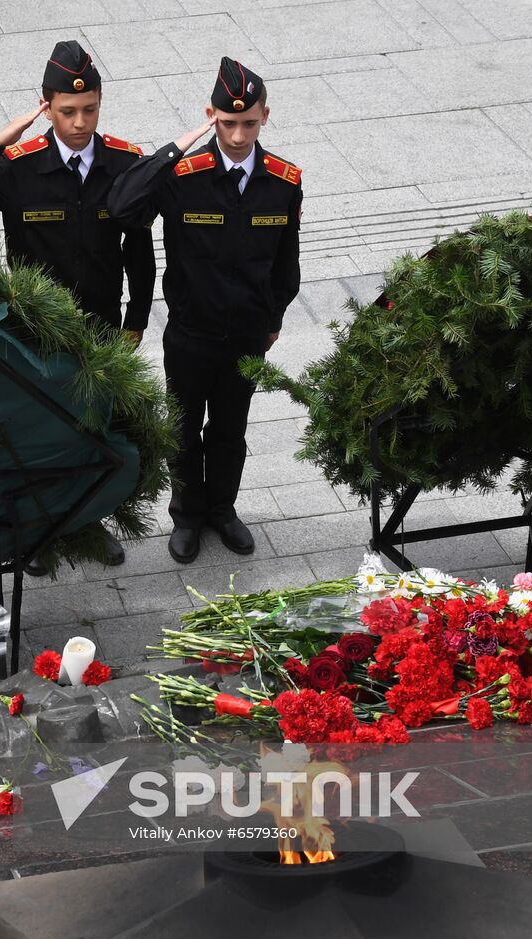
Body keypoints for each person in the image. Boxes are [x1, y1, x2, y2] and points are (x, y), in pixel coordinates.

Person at [0, 40, 155, 571]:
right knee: (33, 431)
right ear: (45, 106)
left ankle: (90, 519)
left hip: (101, 326)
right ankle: (35, 529)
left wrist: (135, 325)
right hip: (34, 331)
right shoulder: (19, 167)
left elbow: (141, 253)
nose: (80, 123)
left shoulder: (124, 164)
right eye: (66, 112)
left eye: (90, 109)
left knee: (93, 427)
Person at [108, 57, 302, 564]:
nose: (238, 135)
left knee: (231, 429)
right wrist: (177, 147)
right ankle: (187, 514)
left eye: (249, 123)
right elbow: (124, 206)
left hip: (247, 336)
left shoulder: (283, 182)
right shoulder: (182, 177)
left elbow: (286, 262)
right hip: (191, 333)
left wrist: (274, 319)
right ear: (210, 115)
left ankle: (222, 509)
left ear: (266, 117)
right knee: (184, 428)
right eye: (226, 122)